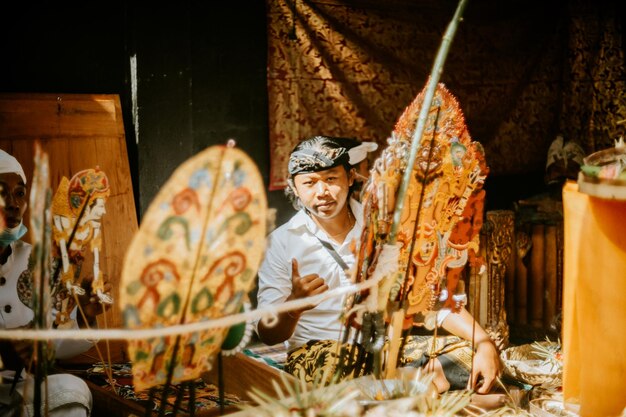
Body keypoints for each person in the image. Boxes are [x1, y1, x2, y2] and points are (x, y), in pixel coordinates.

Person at [256, 135, 501, 394]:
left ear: (350, 178)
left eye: (331, 179)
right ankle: (414, 382)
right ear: (294, 188)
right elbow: (268, 334)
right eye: (309, 183)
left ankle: (396, 386)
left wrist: (484, 342)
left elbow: (428, 296)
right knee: (332, 366)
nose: (322, 192)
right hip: (322, 356)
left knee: (471, 355)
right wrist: (294, 307)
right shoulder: (280, 243)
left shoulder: (385, 231)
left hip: (382, 349)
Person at [0, 149, 109, 417]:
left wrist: (83, 316)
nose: (13, 203)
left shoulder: (33, 262)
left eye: (20, 193)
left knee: (71, 390)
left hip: (22, 393)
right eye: (1, 192)